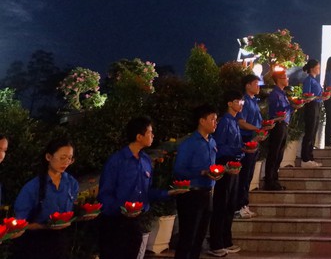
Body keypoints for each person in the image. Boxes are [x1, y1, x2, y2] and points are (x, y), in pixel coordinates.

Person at [98, 116, 175, 259]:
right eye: (150, 132)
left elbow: (146, 192)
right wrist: (121, 209)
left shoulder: (145, 161)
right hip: (114, 222)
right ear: (139, 137)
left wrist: (169, 193)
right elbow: (105, 194)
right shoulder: (117, 161)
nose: (153, 136)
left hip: (135, 221)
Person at [12, 137, 79, 259]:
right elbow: (19, 224)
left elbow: (72, 210)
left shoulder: (71, 183)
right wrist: (43, 226)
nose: (66, 162)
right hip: (36, 244)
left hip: (61, 241)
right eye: (62, 158)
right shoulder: (32, 187)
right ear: (48, 157)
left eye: (70, 158)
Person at [173, 104, 220, 259]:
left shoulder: (212, 142)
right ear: (202, 121)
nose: (215, 123)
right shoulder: (189, 144)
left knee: (200, 237)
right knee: (188, 237)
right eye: (212, 119)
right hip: (191, 194)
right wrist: (202, 172)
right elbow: (179, 170)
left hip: (207, 193)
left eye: (216, 120)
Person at [208, 91, 246, 257]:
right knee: (221, 204)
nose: (241, 104)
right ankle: (216, 242)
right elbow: (220, 147)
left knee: (230, 204)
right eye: (238, 101)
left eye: (242, 102)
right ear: (230, 103)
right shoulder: (224, 122)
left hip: (235, 164)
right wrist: (238, 150)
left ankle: (226, 240)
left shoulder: (234, 121)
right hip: (225, 164)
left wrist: (242, 151)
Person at [235, 74, 262, 220]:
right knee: (244, 174)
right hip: (247, 139)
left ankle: (244, 205)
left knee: (249, 174)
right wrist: (256, 129)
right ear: (247, 85)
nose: (258, 86)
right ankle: (239, 206)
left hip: (254, 139)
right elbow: (241, 122)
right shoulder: (244, 101)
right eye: (255, 83)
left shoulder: (254, 101)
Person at [265, 67, 292, 186]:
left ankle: (274, 178)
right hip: (277, 125)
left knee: (279, 154)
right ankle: (269, 180)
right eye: (285, 77)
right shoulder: (275, 94)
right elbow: (274, 112)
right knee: (274, 153)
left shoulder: (282, 93)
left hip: (284, 124)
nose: (287, 79)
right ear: (279, 79)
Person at [301, 59, 323, 168]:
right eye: (317, 67)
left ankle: (310, 157)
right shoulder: (308, 80)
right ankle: (305, 159)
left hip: (317, 105)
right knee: (309, 133)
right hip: (311, 106)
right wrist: (316, 97)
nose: (319, 69)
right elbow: (306, 95)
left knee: (313, 132)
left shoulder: (315, 80)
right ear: (312, 68)